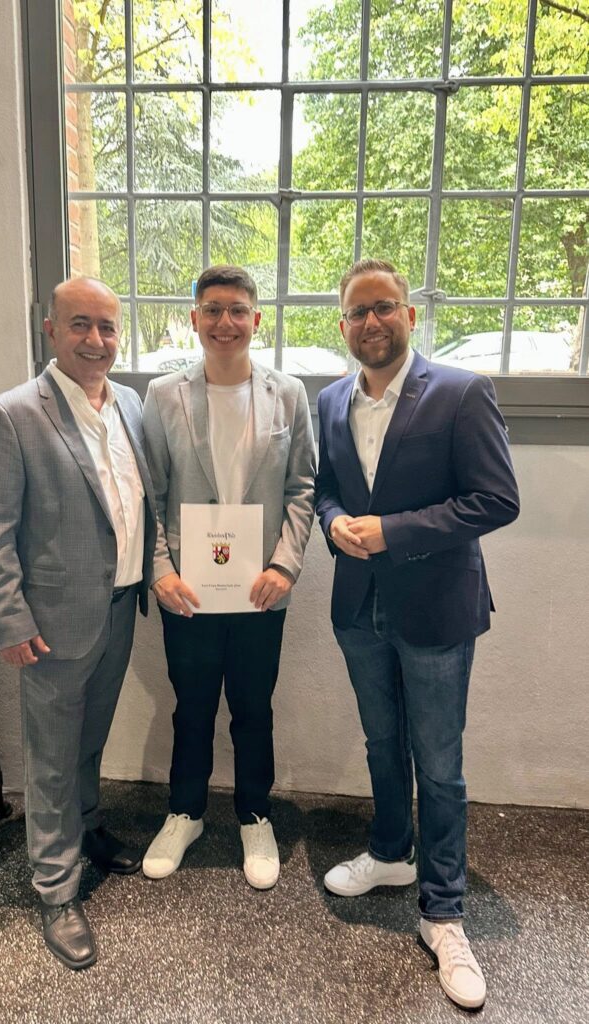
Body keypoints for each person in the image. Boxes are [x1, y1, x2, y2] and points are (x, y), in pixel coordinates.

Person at [316, 259, 519, 1010]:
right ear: (342, 325)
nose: (370, 322)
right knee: (381, 742)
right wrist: (335, 520)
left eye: (383, 307)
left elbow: (495, 499)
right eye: (357, 312)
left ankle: (444, 912)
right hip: (358, 608)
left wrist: (391, 531)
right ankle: (389, 852)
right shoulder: (330, 400)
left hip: (435, 609)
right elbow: (326, 488)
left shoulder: (461, 393)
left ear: (408, 314)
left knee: (438, 763)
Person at [0, 277, 156, 970]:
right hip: (50, 622)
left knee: (89, 739)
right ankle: (55, 887)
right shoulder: (11, 414)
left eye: (107, 327)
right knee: (50, 757)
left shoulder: (130, 404)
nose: (96, 340)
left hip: (119, 605)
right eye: (80, 324)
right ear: (50, 329)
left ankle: (87, 829)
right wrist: (10, 620)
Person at [141, 265, 315, 890]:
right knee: (190, 705)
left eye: (238, 310)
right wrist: (159, 570)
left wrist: (285, 565)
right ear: (195, 318)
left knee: (252, 706)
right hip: (187, 589)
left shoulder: (288, 394)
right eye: (212, 310)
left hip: (259, 588)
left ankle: (254, 815)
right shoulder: (163, 395)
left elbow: (302, 489)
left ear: (256, 319)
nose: (225, 322)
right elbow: (150, 494)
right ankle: (185, 812)